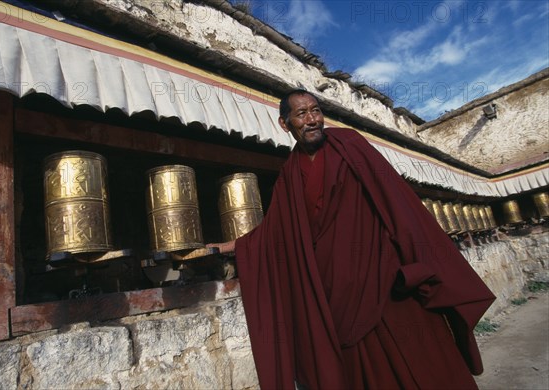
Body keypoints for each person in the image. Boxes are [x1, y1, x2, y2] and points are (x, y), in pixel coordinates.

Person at [209, 90, 495, 389]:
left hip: (385, 281)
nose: (312, 120)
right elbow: (276, 231)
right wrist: (234, 246)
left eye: (316, 111)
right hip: (337, 295)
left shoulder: (349, 144)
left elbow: (393, 198)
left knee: (426, 367)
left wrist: (418, 258)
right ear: (285, 124)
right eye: (302, 114)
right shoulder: (290, 176)